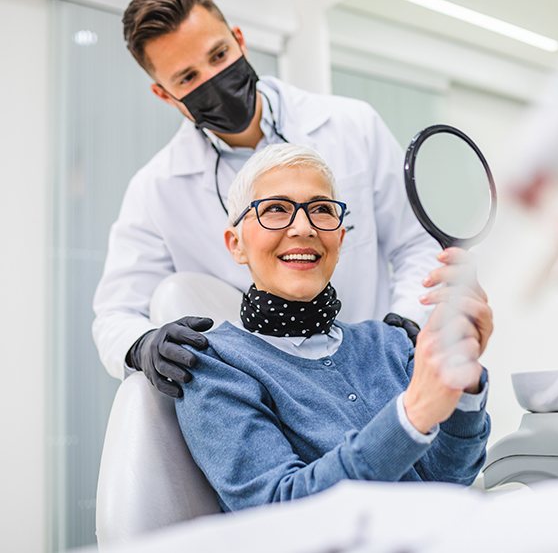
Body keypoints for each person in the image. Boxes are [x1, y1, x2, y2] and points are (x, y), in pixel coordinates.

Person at [92, 0, 443, 397]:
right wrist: (141, 344)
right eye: (187, 78)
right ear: (165, 95)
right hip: (267, 396)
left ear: (240, 40)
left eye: (219, 55)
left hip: (378, 372)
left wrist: (403, 326)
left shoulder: (353, 127)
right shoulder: (157, 188)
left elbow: (416, 245)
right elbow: (116, 312)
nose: (214, 80)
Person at [175, 144, 492, 512]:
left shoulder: (389, 344)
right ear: (236, 244)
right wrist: (412, 414)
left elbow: (449, 479)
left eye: (321, 210)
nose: (303, 228)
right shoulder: (216, 368)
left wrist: (463, 384)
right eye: (276, 209)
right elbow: (279, 512)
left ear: (340, 239)